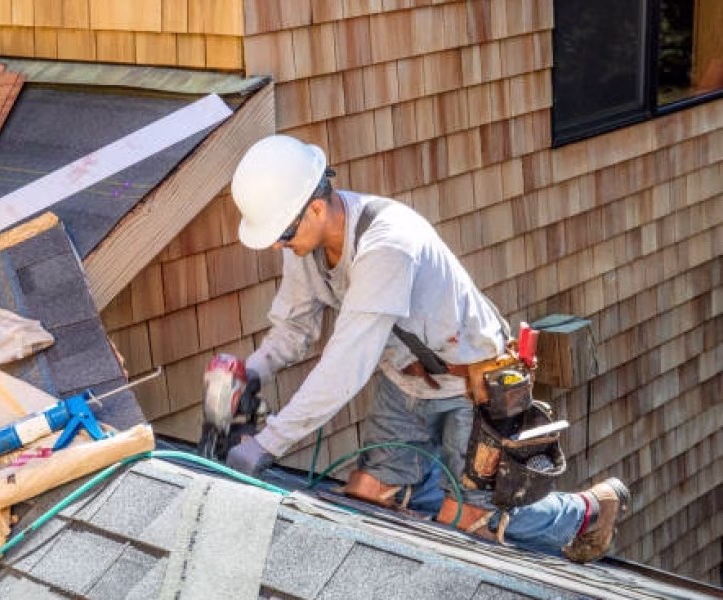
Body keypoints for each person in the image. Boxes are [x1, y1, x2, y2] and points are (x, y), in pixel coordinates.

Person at [221, 134, 630, 562]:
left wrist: (267, 444)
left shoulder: (387, 245)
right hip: (405, 384)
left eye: (282, 234)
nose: (276, 245)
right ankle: (447, 485)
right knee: (368, 496)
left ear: (317, 208)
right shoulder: (304, 242)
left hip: (474, 385)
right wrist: (250, 374)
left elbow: (345, 367)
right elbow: (293, 329)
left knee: (467, 523)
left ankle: (588, 509)